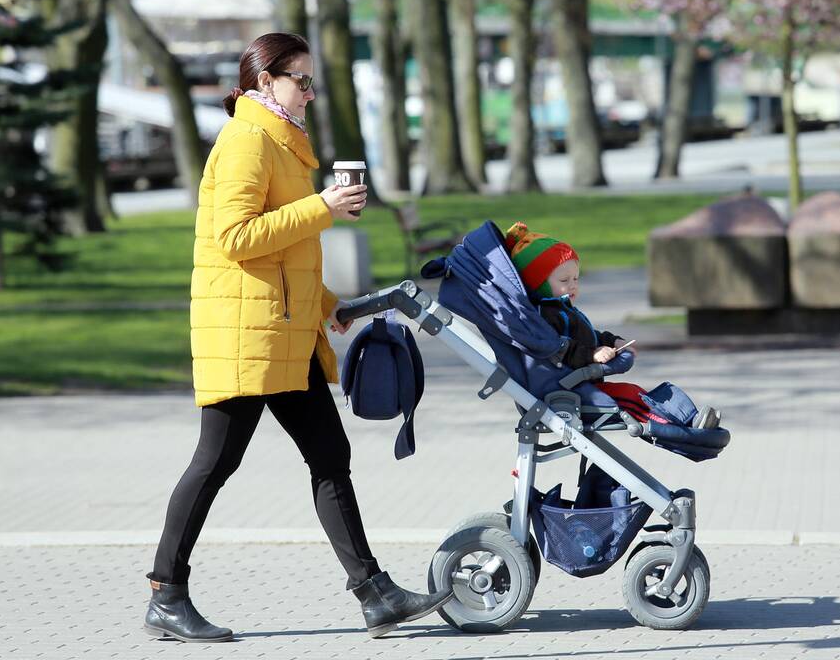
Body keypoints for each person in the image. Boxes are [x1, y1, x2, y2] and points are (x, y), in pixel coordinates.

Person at [143, 32, 451, 644]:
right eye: (301, 81)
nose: (310, 93)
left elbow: (285, 255)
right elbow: (237, 238)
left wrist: (329, 305)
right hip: (247, 334)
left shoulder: (280, 141)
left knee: (330, 456)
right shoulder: (246, 141)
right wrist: (323, 207)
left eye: (312, 81)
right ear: (266, 82)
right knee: (216, 461)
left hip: (286, 331)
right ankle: (165, 594)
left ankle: (375, 593)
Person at [504, 222, 720, 430]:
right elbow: (560, 348)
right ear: (538, 284)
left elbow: (588, 336)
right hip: (568, 392)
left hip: (582, 384)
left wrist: (612, 341)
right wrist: (593, 354)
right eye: (564, 281)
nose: (572, 286)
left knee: (635, 392)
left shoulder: (563, 309)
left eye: (576, 279)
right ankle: (684, 427)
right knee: (630, 398)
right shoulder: (546, 316)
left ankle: (690, 419)